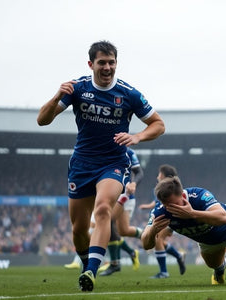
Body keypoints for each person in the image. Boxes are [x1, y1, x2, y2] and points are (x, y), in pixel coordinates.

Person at [37, 40, 165, 292]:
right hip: (82, 164)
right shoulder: (77, 89)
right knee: (79, 230)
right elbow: (42, 120)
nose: (107, 67)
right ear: (91, 64)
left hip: (113, 163)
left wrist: (137, 137)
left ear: (116, 64)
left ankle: (92, 272)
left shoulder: (129, 94)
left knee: (104, 208)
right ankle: (87, 264)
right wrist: (56, 96)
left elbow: (159, 124)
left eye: (112, 62)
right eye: (102, 62)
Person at [100, 147, 144, 276]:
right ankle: (121, 259)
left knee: (118, 227)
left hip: (126, 195)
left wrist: (134, 183)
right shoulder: (101, 150)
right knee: (114, 226)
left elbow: (139, 172)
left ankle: (149, 234)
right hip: (110, 195)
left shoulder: (128, 152)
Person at [137, 164, 186, 278]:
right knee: (160, 242)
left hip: (169, 218)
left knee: (157, 239)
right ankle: (178, 255)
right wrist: (147, 206)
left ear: (166, 176)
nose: (157, 176)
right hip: (163, 216)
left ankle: (164, 272)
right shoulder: (160, 190)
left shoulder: (172, 190)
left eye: (159, 174)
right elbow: (157, 203)